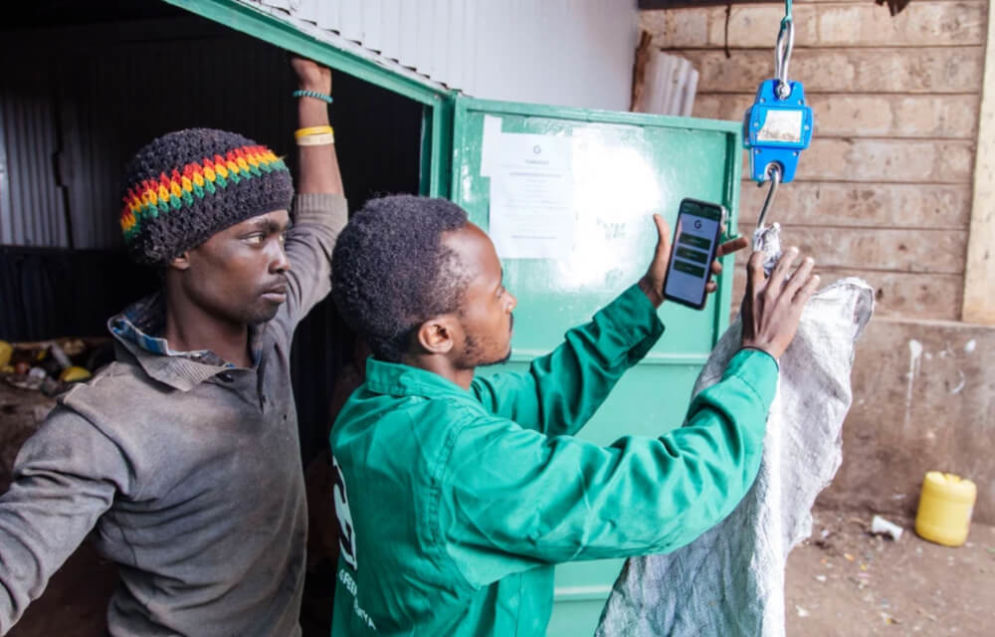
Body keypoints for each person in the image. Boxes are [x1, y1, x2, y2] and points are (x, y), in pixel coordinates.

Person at [327, 195, 819, 635]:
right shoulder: (460, 459)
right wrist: (758, 356)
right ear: (438, 335)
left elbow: (544, 394)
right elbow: (669, 492)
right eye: (496, 292)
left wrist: (649, 294)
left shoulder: (375, 408)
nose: (510, 300)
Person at [0, 58, 345, 636]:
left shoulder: (271, 328)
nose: (282, 257)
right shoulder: (106, 421)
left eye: (280, 232)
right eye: (256, 237)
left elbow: (325, 230)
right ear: (179, 252)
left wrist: (314, 97)